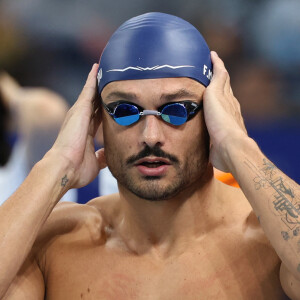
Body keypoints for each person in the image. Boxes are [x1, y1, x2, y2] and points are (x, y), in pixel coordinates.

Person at [0, 12, 299, 299]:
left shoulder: (268, 241)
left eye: (176, 110)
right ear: (96, 121)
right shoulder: (56, 246)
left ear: (212, 118)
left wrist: (238, 145)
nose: (151, 136)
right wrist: (57, 163)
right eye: (125, 111)